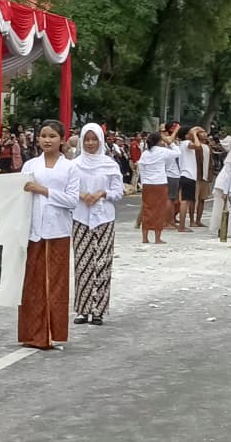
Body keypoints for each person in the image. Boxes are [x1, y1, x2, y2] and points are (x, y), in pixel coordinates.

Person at [19, 120, 79, 350]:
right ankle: (32, 333)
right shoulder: (30, 165)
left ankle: (52, 333)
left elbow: (73, 200)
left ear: (62, 139)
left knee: (55, 284)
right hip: (33, 230)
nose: (47, 140)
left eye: (52, 136)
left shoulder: (70, 168)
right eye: (43, 135)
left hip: (58, 231)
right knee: (32, 284)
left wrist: (43, 190)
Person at [71, 124, 124, 326]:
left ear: (101, 140)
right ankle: (83, 309)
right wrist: (82, 195)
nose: (91, 143)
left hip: (104, 218)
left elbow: (118, 192)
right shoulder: (74, 165)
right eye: (87, 139)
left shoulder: (110, 165)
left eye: (94, 139)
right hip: (81, 217)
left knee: (102, 263)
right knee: (82, 263)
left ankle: (99, 309)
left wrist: (102, 194)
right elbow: (68, 189)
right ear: (82, 141)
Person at [136, 132, 179, 244]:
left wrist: (144, 180)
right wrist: (170, 142)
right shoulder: (162, 151)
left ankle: (145, 237)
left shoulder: (146, 153)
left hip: (148, 184)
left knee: (147, 209)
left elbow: (141, 166)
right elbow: (177, 153)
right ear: (159, 141)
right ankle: (157, 238)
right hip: (160, 183)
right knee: (159, 210)